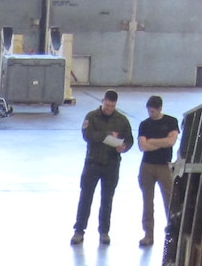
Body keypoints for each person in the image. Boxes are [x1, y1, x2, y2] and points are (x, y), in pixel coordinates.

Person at [73, 90, 133, 246]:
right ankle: (79, 230)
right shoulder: (91, 117)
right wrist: (106, 134)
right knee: (86, 198)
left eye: (112, 106)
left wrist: (124, 147)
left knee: (107, 200)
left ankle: (104, 232)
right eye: (107, 105)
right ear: (102, 101)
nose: (109, 108)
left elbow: (129, 140)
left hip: (111, 164)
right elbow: (87, 135)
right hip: (93, 163)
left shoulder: (122, 120)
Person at [138, 95, 180, 248]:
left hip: (164, 166)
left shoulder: (171, 122)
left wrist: (152, 141)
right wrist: (161, 142)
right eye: (149, 111)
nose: (151, 114)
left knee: (169, 200)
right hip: (147, 166)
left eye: (153, 111)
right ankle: (148, 234)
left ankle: (174, 232)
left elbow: (171, 142)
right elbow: (142, 146)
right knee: (147, 202)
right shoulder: (145, 124)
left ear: (160, 109)